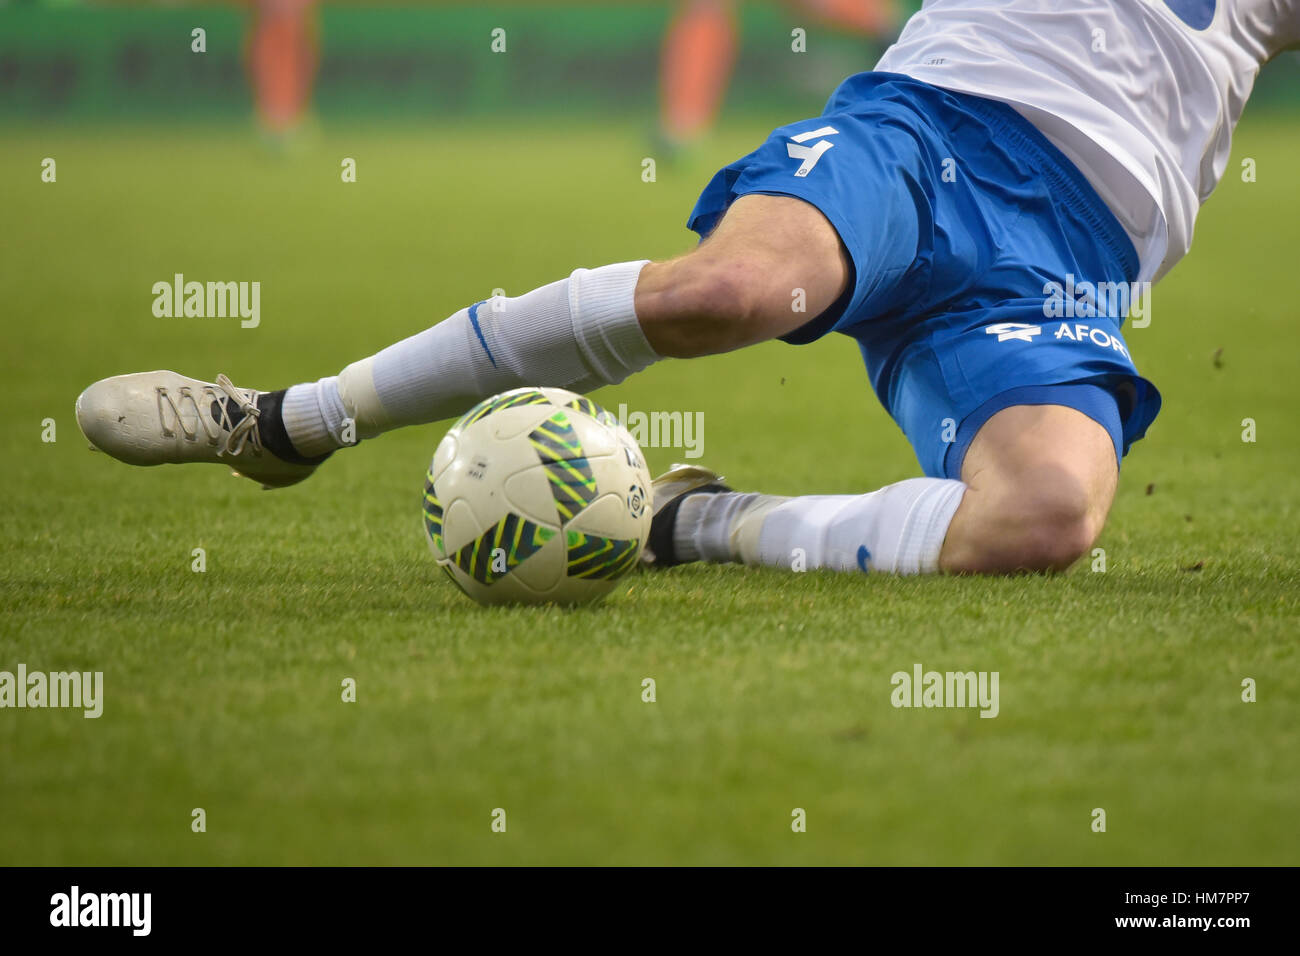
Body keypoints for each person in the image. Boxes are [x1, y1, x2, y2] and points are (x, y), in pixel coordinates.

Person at [76, 0, 1300, 576]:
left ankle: (687, 521)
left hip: (1068, 265)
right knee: (729, 290)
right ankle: (288, 420)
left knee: (1045, 518)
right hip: (925, 135)